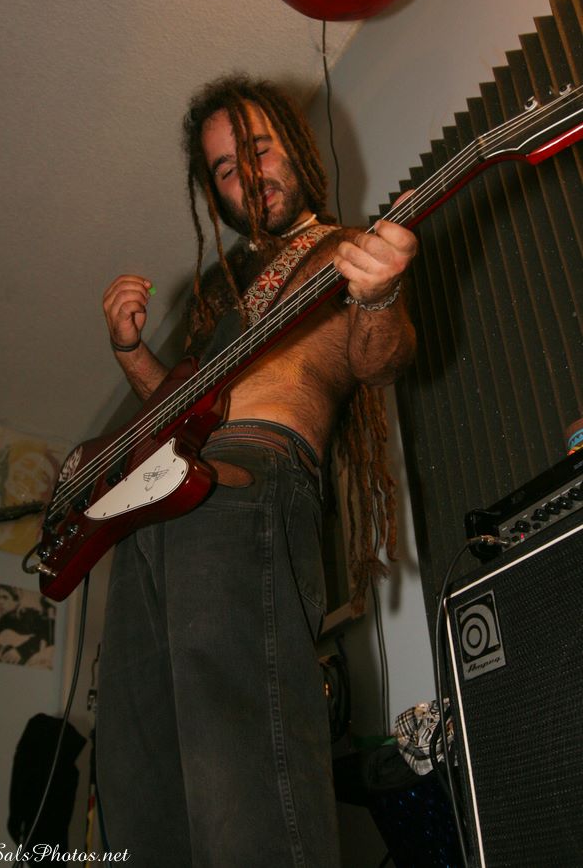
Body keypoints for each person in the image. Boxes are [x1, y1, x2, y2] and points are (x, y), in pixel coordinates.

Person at [96, 75, 417, 867]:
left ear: (297, 149)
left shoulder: (347, 250)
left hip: (249, 484)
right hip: (161, 502)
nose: (247, 173)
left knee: (241, 771)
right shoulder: (226, 296)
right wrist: (133, 355)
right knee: (141, 768)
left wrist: (380, 296)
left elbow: (380, 359)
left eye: (258, 149)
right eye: (225, 169)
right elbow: (180, 409)